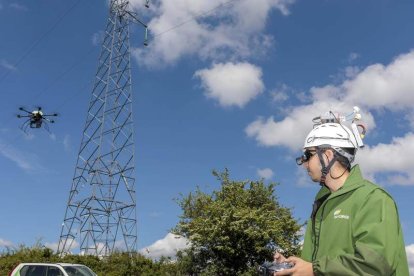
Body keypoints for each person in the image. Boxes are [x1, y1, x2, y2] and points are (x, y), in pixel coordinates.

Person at [273, 111, 409, 275]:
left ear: (328, 155)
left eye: (308, 155)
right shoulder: (321, 204)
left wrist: (313, 270)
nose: (304, 163)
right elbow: (315, 266)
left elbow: (376, 264)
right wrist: (294, 268)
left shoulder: (373, 198)